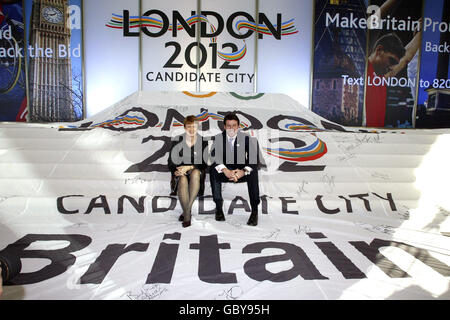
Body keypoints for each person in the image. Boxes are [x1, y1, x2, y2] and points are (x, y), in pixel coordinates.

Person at [209, 113, 261, 226]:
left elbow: (253, 158)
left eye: (234, 125)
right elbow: (214, 157)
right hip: (226, 172)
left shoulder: (246, 138)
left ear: (238, 126)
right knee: (213, 169)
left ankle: (255, 211)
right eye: (228, 125)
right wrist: (225, 170)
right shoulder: (218, 138)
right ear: (224, 126)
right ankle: (218, 208)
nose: (231, 128)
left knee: (253, 171)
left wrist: (243, 172)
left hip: (240, 171)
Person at [168, 115, 208, 227]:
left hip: (195, 174)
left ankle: (186, 213)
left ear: (197, 127)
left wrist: (189, 167)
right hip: (180, 173)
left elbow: (204, 163)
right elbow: (170, 162)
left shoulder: (203, 141)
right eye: (189, 126)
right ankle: (187, 213)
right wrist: (176, 171)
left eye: (194, 126)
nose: (192, 129)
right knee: (182, 179)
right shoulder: (177, 140)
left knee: (195, 172)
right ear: (185, 127)